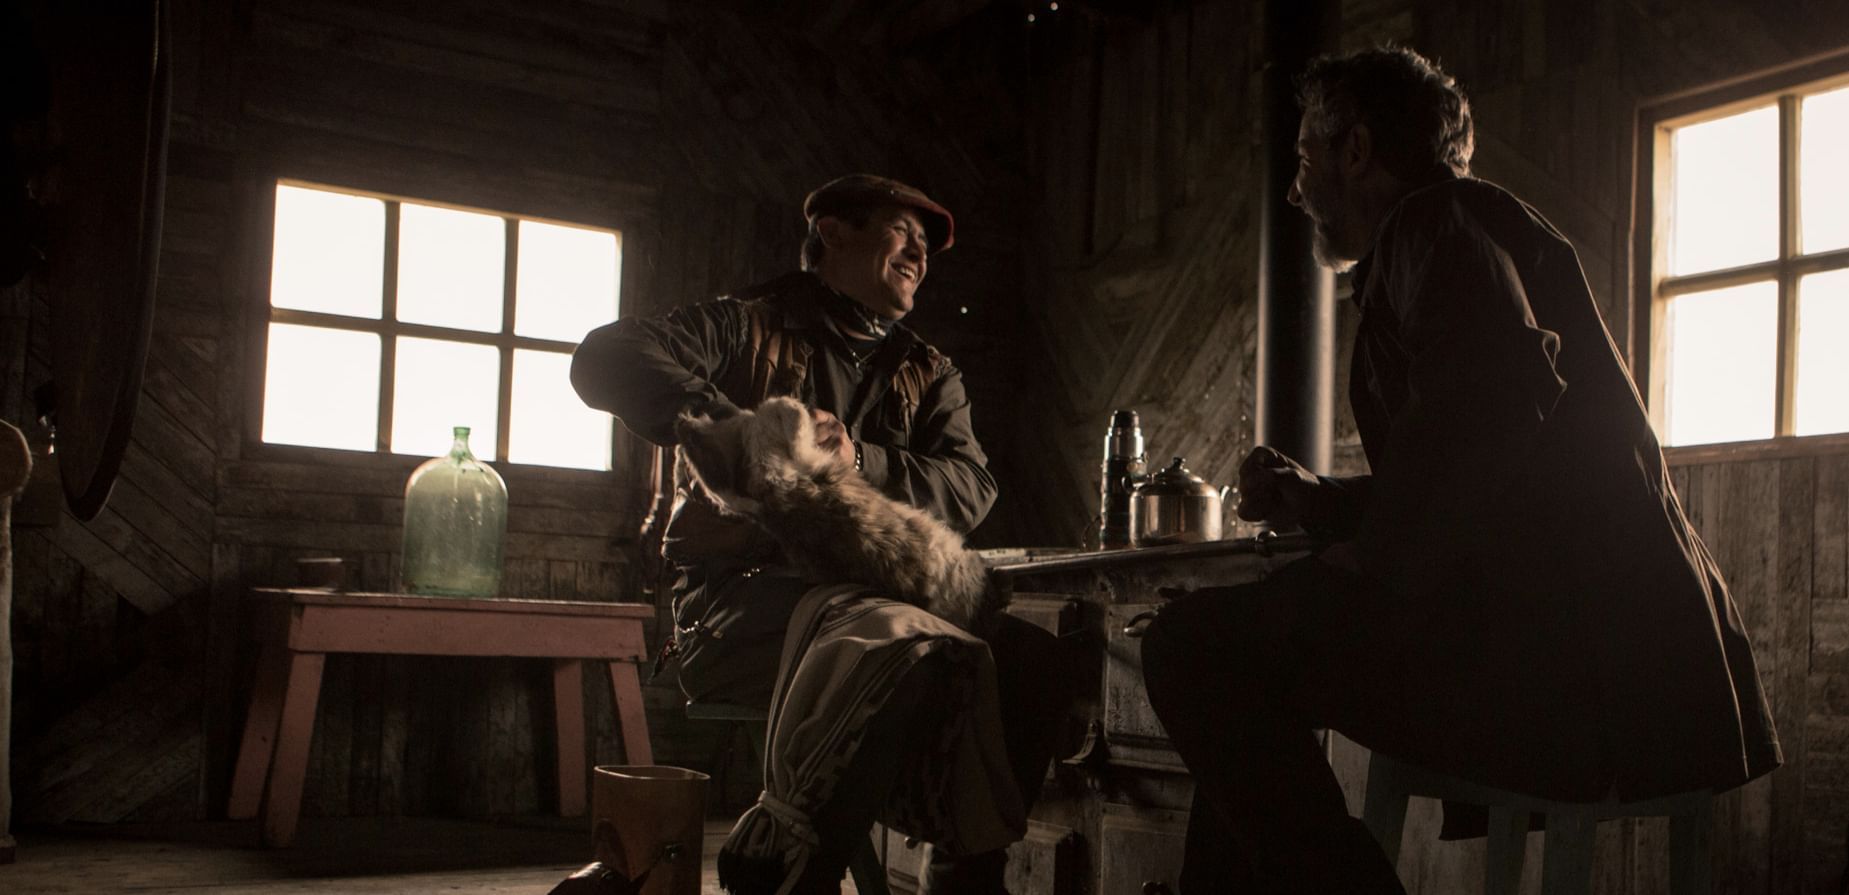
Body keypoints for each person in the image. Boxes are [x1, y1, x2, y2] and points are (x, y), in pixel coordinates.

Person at [1139, 47, 1781, 894]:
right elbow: (1492, 464)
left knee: (1191, 646)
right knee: (1240, 663)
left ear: (1356, 150)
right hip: (1619, 669)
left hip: (1567, 672)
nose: (1295, 190)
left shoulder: (1431, 222)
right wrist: (1323, 502)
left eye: (1304, 161)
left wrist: (1369, 560)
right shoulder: (1461, 232)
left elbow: (1493, 402)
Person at [571, 175, 1062, 894]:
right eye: (903, 233)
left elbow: (971, 486)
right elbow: (604, 355)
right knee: (907, 651)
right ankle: (795, 870)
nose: (919, 256)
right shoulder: (743, 324)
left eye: (927, 248)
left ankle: (964, 873)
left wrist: (858, 459)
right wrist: (749, 434)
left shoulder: (928, 372)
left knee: (1029, 659)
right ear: (834, 233)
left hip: (878, 598)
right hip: (740, 603)